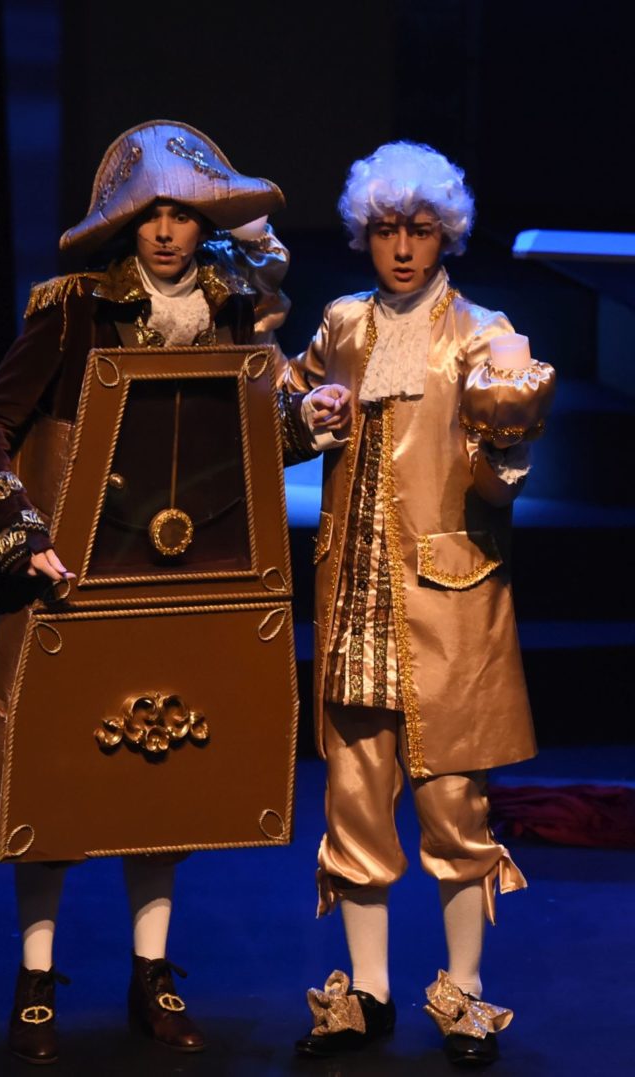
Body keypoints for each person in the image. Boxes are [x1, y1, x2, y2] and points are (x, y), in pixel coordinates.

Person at [0, 120, 289, 1065]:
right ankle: (36, 979)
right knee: (53, 786)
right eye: (150, 213)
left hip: (178, 579)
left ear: (204, 224)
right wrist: (22, 534)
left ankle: (151, 975)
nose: (165, 230)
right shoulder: (76, 310)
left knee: (163, 778)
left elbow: (244, 444)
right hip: (75, 581)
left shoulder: (232, 312)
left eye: (182, 214)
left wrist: (305, 419)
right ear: (126, 222)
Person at [278, 141, 555, 1066]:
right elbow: (288, 412)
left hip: (446, 604)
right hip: (357, 601)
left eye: (421, 230)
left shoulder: (482, 333)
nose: (402, 247)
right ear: (366, 233)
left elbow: (496, 479)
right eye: (388, 229)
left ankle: (464, 990)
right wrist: (304, 414)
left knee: (453, 809)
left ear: (447, 236)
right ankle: (368, 992)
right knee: (354, 804)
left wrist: (504, 433)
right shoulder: (342, 324)